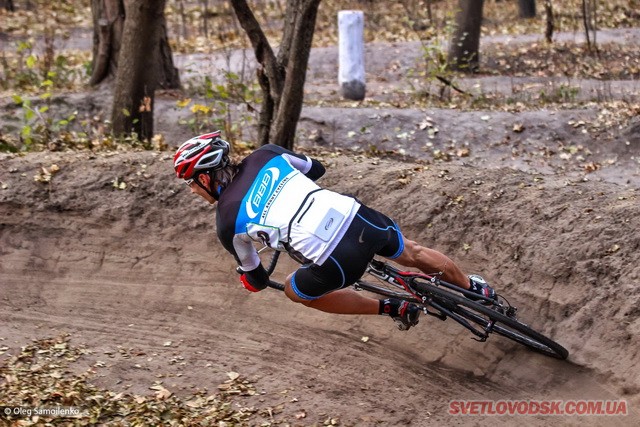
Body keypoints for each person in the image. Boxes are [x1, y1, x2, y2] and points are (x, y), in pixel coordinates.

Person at [174, 132, 496, 330]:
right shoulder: (266, 154)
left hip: (334, 257)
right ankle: (476, 289)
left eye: (191, 183)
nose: (192, 191)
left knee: (294, 291)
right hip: (354, 215)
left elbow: (256, 280)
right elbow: (316, 169)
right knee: (412, 252)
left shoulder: (227, 219)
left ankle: (393, 308)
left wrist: (250, 278)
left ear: (205, 179)